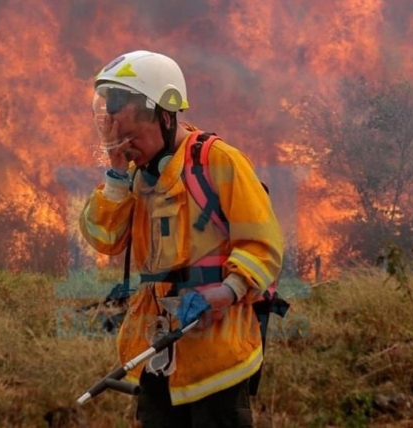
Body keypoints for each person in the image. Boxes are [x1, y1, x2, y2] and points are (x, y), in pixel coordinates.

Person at [79, 49, 284, 427]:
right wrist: (115, 174)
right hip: (156, 359)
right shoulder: (135, 176)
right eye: (116, 139)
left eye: (130, 137)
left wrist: (226, 291)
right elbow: (104, 239)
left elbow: (264, 244)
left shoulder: (218, 162)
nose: (124, 148)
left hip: (218, 363)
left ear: (165, 114)